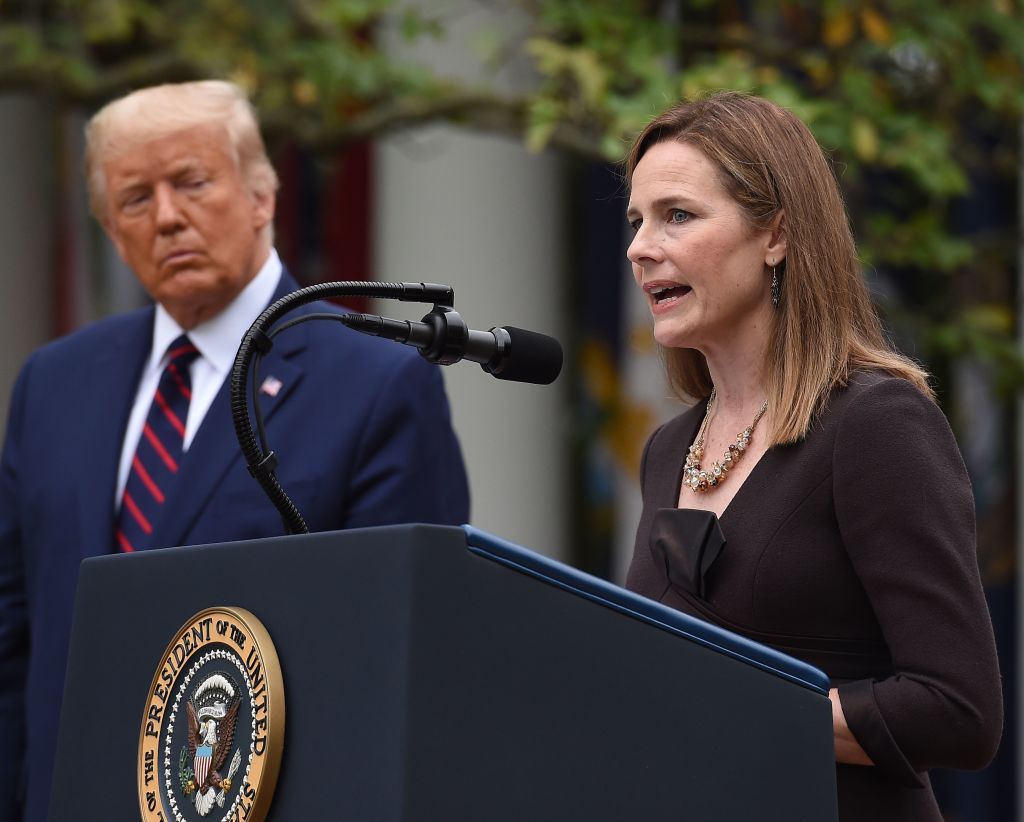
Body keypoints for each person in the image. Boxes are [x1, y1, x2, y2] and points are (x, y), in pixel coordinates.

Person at [0, 80, 469, 820]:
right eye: (134, 199)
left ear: (262, 196)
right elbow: (13, 639)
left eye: (191, 183)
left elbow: (408, 657)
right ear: (111, 231)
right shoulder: (52, 385)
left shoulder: (373, 382)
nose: (167, 217)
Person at [622, 91, 1001, 820]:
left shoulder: (874, 424)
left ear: (777, 235)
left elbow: (959, 708)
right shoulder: (668, 450)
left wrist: (737, 704)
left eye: (678, 215)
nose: (640, 246)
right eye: (636, 221)